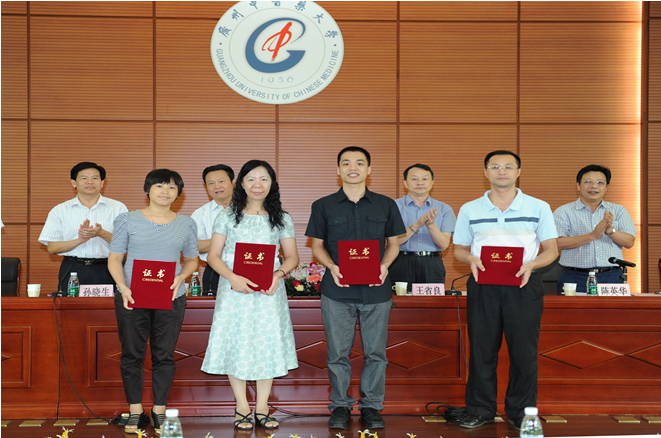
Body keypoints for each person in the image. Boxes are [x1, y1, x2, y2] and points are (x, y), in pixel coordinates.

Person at [452, 150, 558, 430]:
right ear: (485, 172)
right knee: (481, 350)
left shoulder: (538, 207)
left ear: (518, 172)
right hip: (483, 285)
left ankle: (521, 412)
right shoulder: (470, 209)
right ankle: (480, 410)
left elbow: (551, 250)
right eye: (495, 166)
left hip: (524, 284)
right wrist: (470, 258)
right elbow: (459, 249)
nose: (502, 171)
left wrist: (532, 264)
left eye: (508, 166)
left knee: (524, 352)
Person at [305, 146, 406, 430]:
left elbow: (394, 244)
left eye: (360, 163)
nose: (353, 167)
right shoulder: (323, 205)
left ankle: (371, 407)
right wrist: (331, 266)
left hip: (376, 289)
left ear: (369, 169)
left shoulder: (386, 204)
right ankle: (340, 406)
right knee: (338, 353)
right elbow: (317, 246)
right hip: (337, 290)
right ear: (338, 169)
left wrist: (385, 265)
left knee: (376, 353)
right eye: (347, 163)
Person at [201, 160, 299, 431]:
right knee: (238, 342)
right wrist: (232, 277)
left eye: (264, 179)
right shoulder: (227, 216)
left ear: (272, 184)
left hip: (269, 292)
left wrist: (278, 275)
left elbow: (292, 257)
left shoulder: (282, 218)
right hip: (234, 291)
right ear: (241, 183)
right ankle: (242, 406)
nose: (258, 184)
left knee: (267, 343)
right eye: (251, 179)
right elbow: (213, 256)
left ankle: (263, 406)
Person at [108, 169, 199, 433]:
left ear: (178, 194)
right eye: (159, 186)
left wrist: (182, 276)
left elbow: (192, 259)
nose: (165, 191)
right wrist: (122, 287)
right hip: (131, 296)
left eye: (171, 187)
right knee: (131, 354)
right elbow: (115, 258)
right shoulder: (127, 219)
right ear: (148, 189)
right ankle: (135, 410)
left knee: (164, 355)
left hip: (171, 297)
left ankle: (159, 410)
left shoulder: (187, 224)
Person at [38, 162, 128, 292]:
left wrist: (101, 233)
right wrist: (79, 240)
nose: (90, 182)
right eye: (84, 178)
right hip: (73, 269)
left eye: (95, 178)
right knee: (70, 305)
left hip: (108, 268)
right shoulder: (59, 211)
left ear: (102, 183)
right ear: (73, 183)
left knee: (108, 305)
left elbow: (127, 244)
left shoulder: (118, 208)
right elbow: (52, 248)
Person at [553, 165, 636, 292]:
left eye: (600, 183)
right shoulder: (563, 212)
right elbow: (556, 243)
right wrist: (592, 236)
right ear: (578, 185)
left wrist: (611, 231)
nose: (594, 186)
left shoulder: (619, 210)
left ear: (606, 187)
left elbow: (629, 242)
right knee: (573, 307)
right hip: (575, 277)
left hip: (612, 276)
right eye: (588, 182)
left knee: (615, 307)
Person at [390, 164, 456, 289]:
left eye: (425, 179)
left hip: (432, 264)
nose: (420, 183)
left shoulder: (444, 209)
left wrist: (430, 225)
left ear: (432, 183)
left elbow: (444, 244)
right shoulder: (393, 207)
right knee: (400, 301)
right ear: (405, 183)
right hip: (400, 262)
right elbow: (391, 242)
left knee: (432, 301)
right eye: (414, 179)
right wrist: (417, 225)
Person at [191, 164, 235, 293]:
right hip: (214, 272)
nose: (217, 187)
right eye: (211, 183)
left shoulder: (250, 209)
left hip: (248, 266)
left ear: (233, 182)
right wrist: (230, 238)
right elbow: (194, 246)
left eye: (221, 181)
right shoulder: (200, 214)